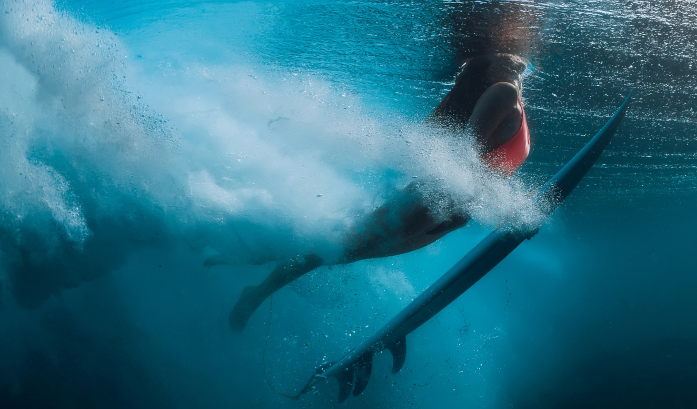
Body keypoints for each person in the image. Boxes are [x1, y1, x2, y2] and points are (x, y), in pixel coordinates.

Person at [227, 52, 530, 332]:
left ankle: (259, 257)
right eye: (506, 57)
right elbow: (464, 156)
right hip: (430, 202)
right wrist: (509, 209)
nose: (518, 61)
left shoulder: (510, 100)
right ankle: (256, 283)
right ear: (491, 67)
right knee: (334, 250)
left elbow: (482, 167)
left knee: (341, 254)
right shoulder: (504, 92)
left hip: (446, 211)